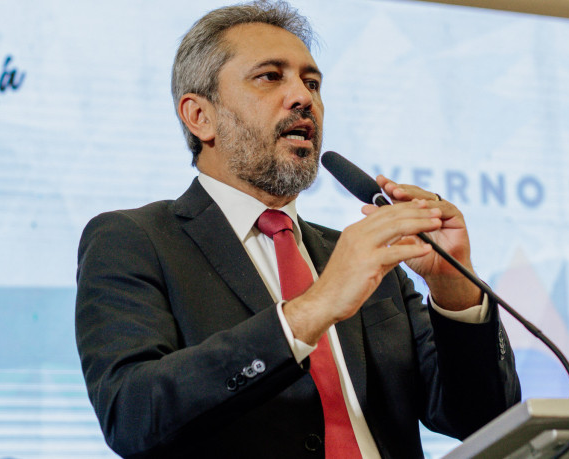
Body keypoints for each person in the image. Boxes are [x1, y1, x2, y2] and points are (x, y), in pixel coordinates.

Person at [75, 1, 521, 458]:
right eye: (270, 76)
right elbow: (132, 414)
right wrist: (315, 308)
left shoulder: (370, 261)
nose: (303, 97)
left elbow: (485, 418)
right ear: (199, 116)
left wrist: (453, 290)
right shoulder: (134, 240)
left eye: (312, 83)